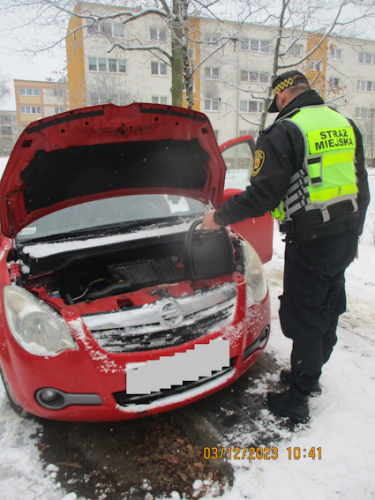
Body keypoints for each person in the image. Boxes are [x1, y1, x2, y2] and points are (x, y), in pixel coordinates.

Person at [201, 70, 370, 423]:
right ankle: (309, 373)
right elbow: (361, 185)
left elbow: (262, 195)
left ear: (281, 98)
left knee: (305, 316)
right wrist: (355, 235)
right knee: (329, 302)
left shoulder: (285, 130)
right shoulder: (344, 123)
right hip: (342, 234)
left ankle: (298, 397)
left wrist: (218, 217)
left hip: (310, 240)